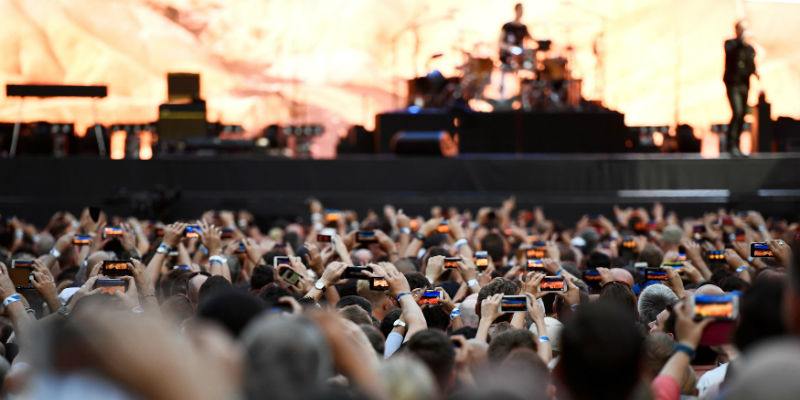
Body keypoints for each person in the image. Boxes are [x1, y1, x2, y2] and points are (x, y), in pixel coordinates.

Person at [723, 20, 758, 157]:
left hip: (745, 85)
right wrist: (740, 41)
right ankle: (731, 145)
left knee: (743, 113)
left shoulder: (749, 49)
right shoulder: (730, 44)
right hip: (733, 85)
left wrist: (756, 72)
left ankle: (736, 145)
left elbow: (751, 65)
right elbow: (731, 53)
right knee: (737, 111)